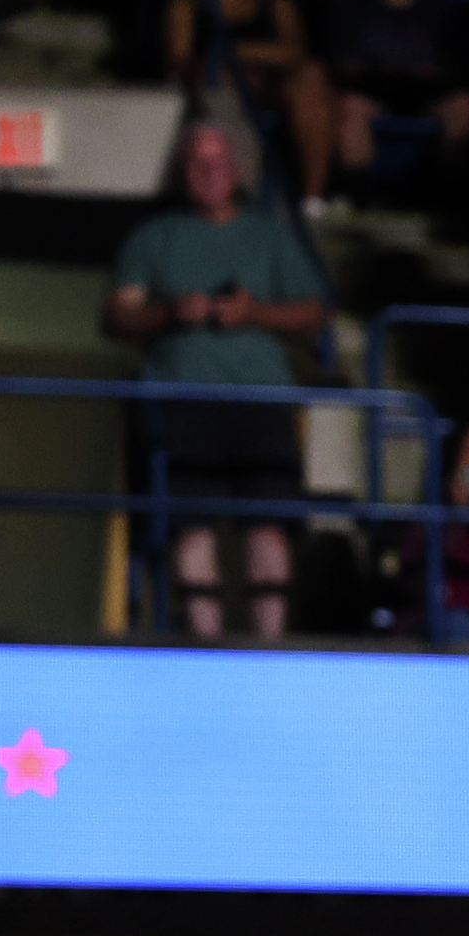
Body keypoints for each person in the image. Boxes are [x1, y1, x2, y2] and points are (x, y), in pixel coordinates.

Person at [104, 121, 325, 640]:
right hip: (180, 402)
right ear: (182, 172)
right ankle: (207, 642)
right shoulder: (153, 238)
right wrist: (170, 314)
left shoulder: (269, 235)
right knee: (190, 526)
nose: (209, 172)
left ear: (238, 169)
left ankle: (270, 647)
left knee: (268, 526)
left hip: (261, 401)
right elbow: (117, 316)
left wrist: (253, 314)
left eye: (218, 161)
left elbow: (313, 314)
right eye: (197, 162)